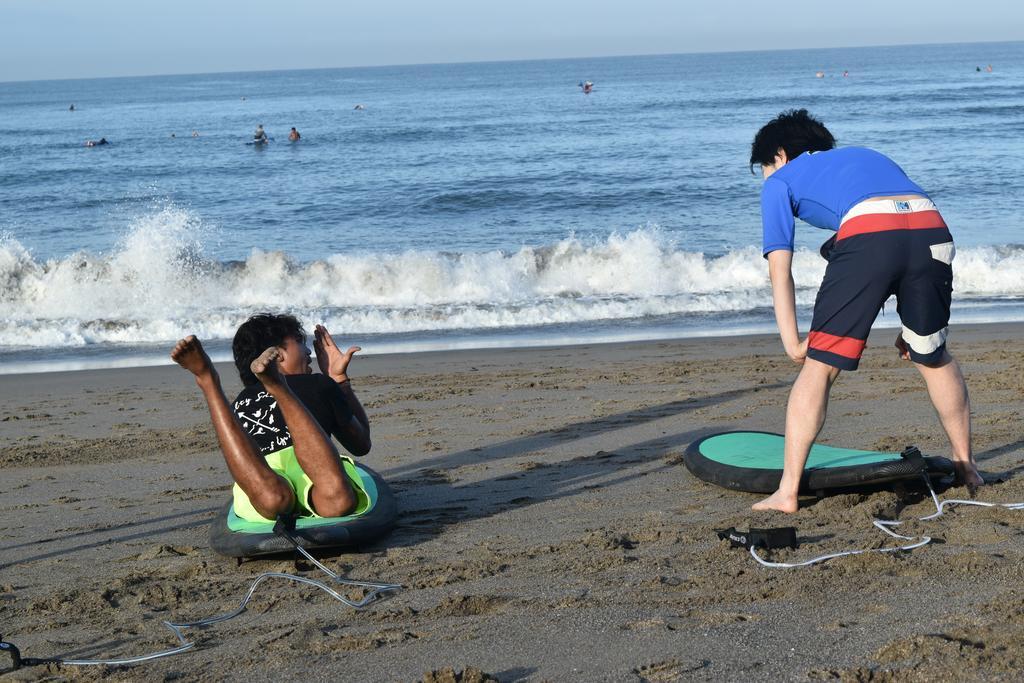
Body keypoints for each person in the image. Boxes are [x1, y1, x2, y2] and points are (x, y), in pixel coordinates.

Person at [748, 109, 981, 513]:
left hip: (870, 233)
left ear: (780, 155)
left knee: (819, 367)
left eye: (765, 167)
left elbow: (779, 268)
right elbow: (895, 223)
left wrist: (792, 340)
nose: (767, 177)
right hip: (932, 227)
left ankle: (787, 493)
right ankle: (968, 468)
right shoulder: (868, 157)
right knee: (933, 355)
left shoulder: (781, 181)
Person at [171, 314, 371, 522]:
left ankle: (208, 380)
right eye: (300, 342)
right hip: (317, 466)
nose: (309, 351)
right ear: (278, 355)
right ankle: (279, 387)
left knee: (274, 499)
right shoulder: (319, 384)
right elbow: (361, 444)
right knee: (338, 501)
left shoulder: (240, 403)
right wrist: (338, 379)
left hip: (260, 475)